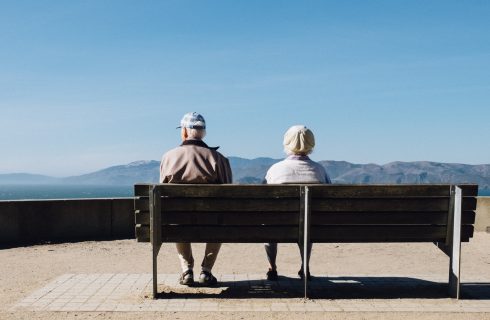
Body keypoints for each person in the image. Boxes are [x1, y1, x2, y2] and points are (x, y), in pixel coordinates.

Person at [160, 112, 233, 286]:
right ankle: (206, 271)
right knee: (218, 220)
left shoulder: (169, 157)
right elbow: (229, 193)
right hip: (211, 221)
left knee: (176, 217)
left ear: (184, 131)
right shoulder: (218, 159)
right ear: (203, 132)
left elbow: (162, 194)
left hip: (179, 221)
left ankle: (187, 270)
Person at [263, 125, 331, 281]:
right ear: (311, 144)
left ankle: (272, 268)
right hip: (312, 226)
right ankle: (304, 266)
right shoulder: (320, 170)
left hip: (279, 226)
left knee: (269, 224)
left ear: (286, 143)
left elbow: (263, 198)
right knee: (307, 223)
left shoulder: (275, 170)